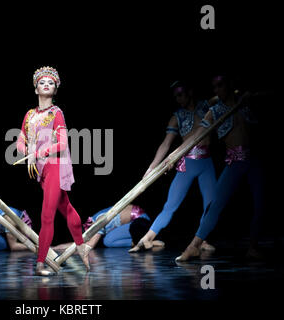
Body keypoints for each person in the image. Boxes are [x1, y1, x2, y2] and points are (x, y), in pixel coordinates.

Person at [175, 75, 264, 261]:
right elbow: (197, 136)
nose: (217, 90)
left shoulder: (245, 103)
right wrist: (173, 156)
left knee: (259, 204)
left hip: (254, 159)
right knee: (215, 205)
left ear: (230, 84)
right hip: (234, 161)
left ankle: (253, 246)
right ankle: (194, 246)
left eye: (220, 85)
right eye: (214, 87)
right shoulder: (214, 111)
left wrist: (251, 96)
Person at [15, 66, 91, 275]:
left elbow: (63, 144)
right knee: (65, 208)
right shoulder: (29, 115)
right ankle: (82, 246)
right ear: (36, 89)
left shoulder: (57, 113)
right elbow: (20, 141)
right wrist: (27, 150)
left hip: (55, 165)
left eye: (50, 83)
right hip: (42, 171)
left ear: (55, 89)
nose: (46, 85)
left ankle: (40, 264)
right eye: (42, 82)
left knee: (47, 216)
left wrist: (38, 152)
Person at [131, 81, 217, 252]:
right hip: (188, 163)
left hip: (206, 162)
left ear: (190, 92)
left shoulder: (207, 107)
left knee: (211, 203)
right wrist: (151, 168)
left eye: (181, 94)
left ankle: (202, 239)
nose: (178, 99)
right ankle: (147, 238)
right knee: (171, 205)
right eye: (175, 96)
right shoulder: (177, 116)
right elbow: (165, 144)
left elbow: (222, 98)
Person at [52, 204, 165, 250]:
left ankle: (152, 240)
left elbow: (89, 246)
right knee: (108, 241)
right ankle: (140, 243)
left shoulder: (97, 222)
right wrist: (56, 247)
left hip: (140, 222)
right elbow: (82, 244)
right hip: (130, 224)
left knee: (131, 230)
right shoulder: (93, 221)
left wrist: (58, 248)